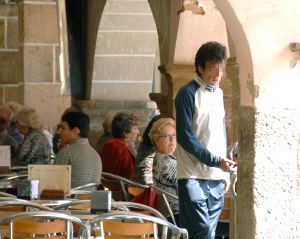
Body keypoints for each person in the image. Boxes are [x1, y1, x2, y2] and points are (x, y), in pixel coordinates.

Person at [175, 41, 236, 239]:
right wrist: (216, 161)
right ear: (200, 68)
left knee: (208, 232)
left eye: (221, 68)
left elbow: (220, 133)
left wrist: (224, 172)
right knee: (200, 231)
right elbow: (185, 136)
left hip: (217, 177)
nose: (218, 75)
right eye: (212, 68)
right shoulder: (187, 93)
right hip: (191, 175)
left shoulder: (218, 94)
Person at [55, 111, 102, 189]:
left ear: (76, 131)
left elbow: (55, 185)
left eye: (62, 128)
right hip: (91, 200)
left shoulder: (66, 153)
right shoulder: (96, 155)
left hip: (71, 200)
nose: (58, 131)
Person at [148, 117, 178, 224]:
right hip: (178, 216)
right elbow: (187, 184)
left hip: (172, 215)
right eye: (167, 136)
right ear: (156, 140)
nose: (172, 139)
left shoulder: (159, 157)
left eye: (174, 135)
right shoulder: (165, 162)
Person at [99, 111, 140, 179]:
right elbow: (130, 176)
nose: (138, 132)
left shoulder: (109, 144)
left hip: (109, 187)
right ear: (125, 133)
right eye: (135, 128)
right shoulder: (121, 149)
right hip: (122, 188)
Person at [132, 114, 160, 185]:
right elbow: (145, 180)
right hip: (144, 190)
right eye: (167, 135)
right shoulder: (150, 150)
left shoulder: (146, 146)